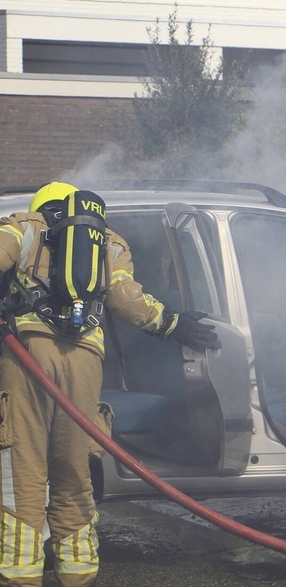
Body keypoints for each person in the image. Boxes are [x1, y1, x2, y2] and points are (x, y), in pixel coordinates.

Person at [0, 182, 221, 587]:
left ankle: (20, 578)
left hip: (26, 360)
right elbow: (126, 299)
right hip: (84, 362)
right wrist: (174, 324)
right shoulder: (108, 241)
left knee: (23, 475)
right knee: (74, 473)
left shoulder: (23, 226)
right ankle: (78, 576)